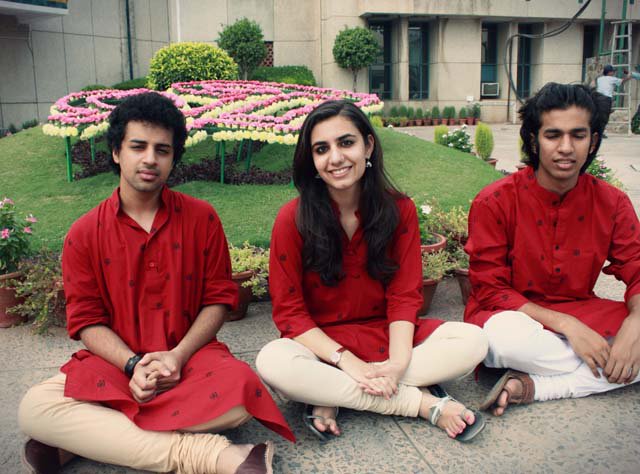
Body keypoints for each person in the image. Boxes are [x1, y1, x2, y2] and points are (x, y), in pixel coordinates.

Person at [18, 92, 293, 474]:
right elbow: (86, 320)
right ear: (116, 152)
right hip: (117, 366)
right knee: (34, 408)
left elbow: (218, 299)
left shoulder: (202, 219)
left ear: (173, 158)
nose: (150, 158)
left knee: (242, 394)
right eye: (138, 146)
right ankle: (214, 456)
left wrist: (176, 356)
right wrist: (133, 365)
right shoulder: (84, 234)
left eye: (162, 150)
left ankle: (86, 438)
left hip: (191, 360)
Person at [256, 100, 488, 442]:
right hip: (323, 346)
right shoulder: (292, 219)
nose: (335, 158)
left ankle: (330, 394)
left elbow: (404, 295)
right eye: (322, 149)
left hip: (387, 336)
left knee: (473, 341)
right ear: (312, 160)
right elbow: (290, 314)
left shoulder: (399, 209)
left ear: (368, 145)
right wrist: (347, 362)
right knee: (273, 362)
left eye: (346, 142)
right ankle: (422, 404)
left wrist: (397, 362)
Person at [464, 83, 640, 416]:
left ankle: (534, 386)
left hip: (583, 310)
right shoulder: (494, 201)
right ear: (533, 141)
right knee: (504, 341)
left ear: (593, 141)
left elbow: (636, 264)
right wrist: (569, 327)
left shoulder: (612, 202)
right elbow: (490, 289)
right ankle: (598, 364)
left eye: (578, 135)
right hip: (513, 317)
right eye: (553, 135)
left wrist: (635, 325)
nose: (566, 148)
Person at [595, 64, 631, 137]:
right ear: (609, 72)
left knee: (599, 115)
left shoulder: (599, 79)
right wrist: (629, 76)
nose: (613, 73)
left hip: (598, 98)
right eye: (612, 71)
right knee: (605, 116)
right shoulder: (612, 79)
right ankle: (601, 132)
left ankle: (598, 131)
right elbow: (622, 81)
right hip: (606, 99)